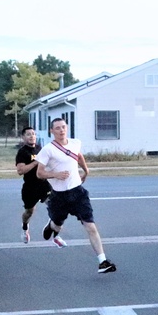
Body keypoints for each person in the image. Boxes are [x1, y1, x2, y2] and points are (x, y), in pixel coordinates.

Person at [35, 117, 117, 273]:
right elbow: (40, 173)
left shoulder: (75, 143)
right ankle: (51, 224)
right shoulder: (47, 150)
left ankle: (103, 261)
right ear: (52, 131)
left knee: (90, 226)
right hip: (59, 196)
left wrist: (86, 170)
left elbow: (78, 156)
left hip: (78, 192)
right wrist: (55, 174)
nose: (61, 130)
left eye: (63, 127)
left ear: (67, 128)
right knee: (58, 224)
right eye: (57, 128)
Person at [15, 126, 56, 245]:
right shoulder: (22, 152)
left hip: (43, 184)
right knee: (29, 212)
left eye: (33, 134)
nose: (32, 136)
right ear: (23, 137)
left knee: (54, 204)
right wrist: (35, 163)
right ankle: (24, 227)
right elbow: (20, 170)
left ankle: (51, 225)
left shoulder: (40, 149)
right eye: (28, 134)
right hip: (30, 187)